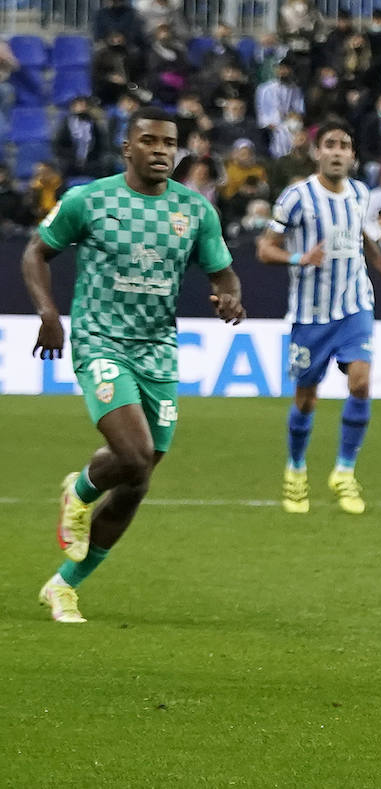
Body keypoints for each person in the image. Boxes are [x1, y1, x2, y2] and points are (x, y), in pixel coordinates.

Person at [23, 107, 246, 624]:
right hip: (101, 342)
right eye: (148, 141)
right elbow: (36, 252)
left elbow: (225, 275)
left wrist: (229, 298)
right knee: (135, 453)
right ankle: (79, 492)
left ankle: (64, 585)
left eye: (170, 143)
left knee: (139, 478)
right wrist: (49, 313)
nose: (161, 150)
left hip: (158, 351)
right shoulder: (89, 199)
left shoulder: (195, 211)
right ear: (128, 148)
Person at [255, 121, 381, 515]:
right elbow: (264, 248)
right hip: (311, 315)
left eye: (345, 145)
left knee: (360, 383)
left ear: (353, 156)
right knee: (306, 398)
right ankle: (295, 471)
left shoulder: (361, 193)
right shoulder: (297, 197)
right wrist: (299, 257)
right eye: (330, 145)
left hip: (354, 304)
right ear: (318, 153)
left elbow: (362, 238)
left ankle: (344, 471)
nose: (338, 151)